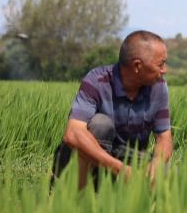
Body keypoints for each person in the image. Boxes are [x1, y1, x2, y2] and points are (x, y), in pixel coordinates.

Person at [52, 30, 172, 190]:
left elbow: (164, 138)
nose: (164, 70)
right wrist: (119, 169)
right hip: (91, 155)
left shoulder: (159, 87)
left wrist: (156, 164)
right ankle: (76, 197)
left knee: (170, 173)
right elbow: (73, 134)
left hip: (127, 155)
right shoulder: (97, 81)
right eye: (160, 64)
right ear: (137, 66)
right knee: (101, 124)